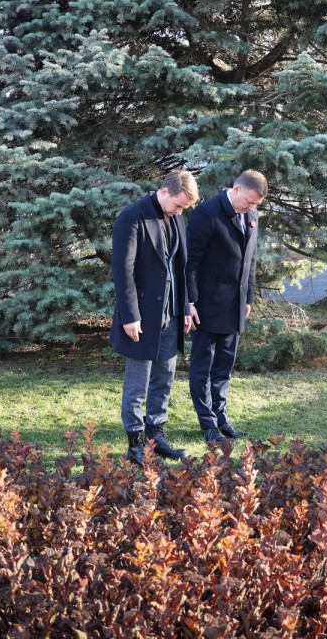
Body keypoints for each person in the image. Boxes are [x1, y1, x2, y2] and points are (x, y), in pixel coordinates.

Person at [111, 169, 200, 465]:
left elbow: (181, 268)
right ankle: (136, 444)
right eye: (178, 204)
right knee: (138, 385)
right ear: (164, 192)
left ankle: (156, 437)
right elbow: (123, 270)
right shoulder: (131, 217)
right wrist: (130, 316)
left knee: (164, 379)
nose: (180, 211)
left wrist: (185, 307)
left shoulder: (176, 217)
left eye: (184, 207)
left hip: (173, 314)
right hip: (142, 317)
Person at [185, 169, 267, 443]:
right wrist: (190, 301)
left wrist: (249, 297)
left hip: (235, 306)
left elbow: (251, 260)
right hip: (206, 306)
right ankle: (207, 424)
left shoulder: (252, 214)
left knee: (223, 368)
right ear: (236, 189)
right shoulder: (207, 213)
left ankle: (221, 418)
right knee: (203, 368)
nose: (251, 208)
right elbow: (190, 263)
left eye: (256, 204)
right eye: (250, 201)